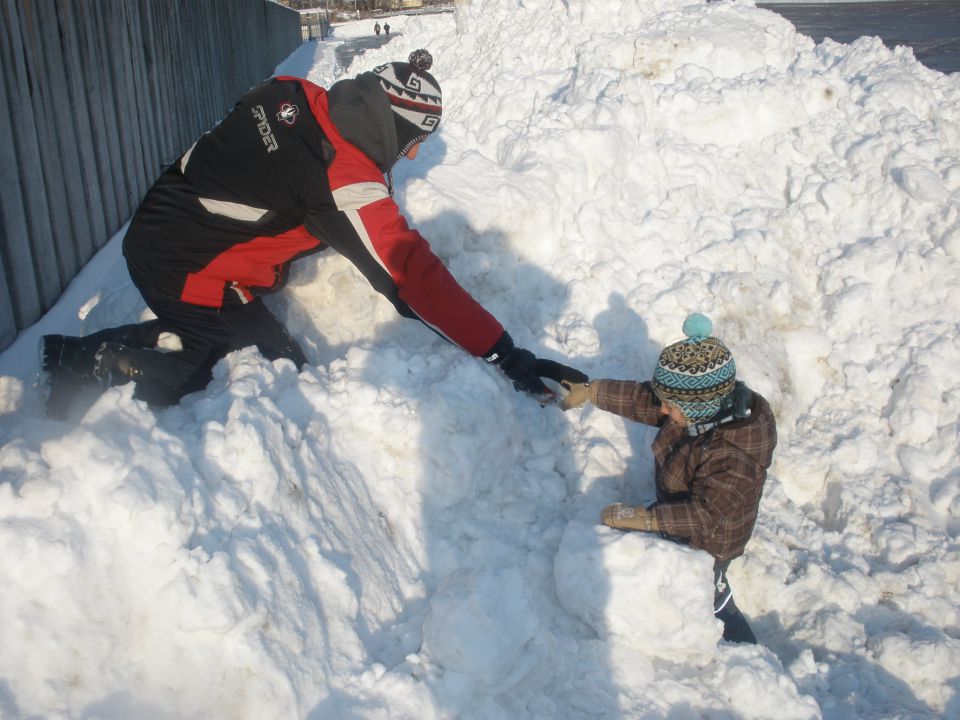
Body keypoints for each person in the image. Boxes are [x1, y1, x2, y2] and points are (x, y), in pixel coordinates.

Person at [41, 50, 564, 419]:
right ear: (394, 125)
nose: (412, 156)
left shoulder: (292, 92)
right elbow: (412, 279)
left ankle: (145, 339)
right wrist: (504, 353)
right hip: (185, 266)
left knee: (271, 361)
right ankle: (89, 360)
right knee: (247, 373)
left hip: (167, 223)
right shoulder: (341, 182)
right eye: (413, 141)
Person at [561, 313, 777, 644]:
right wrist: (593, 391)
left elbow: (704, 514)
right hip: (680, 511)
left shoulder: (733, 457)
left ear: (702, 408)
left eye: (671, 407)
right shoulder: (700, 411)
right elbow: (643, 400)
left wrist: (648, 519)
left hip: (712, 539)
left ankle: (743, 648)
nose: (663, 411)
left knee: (711, 594)